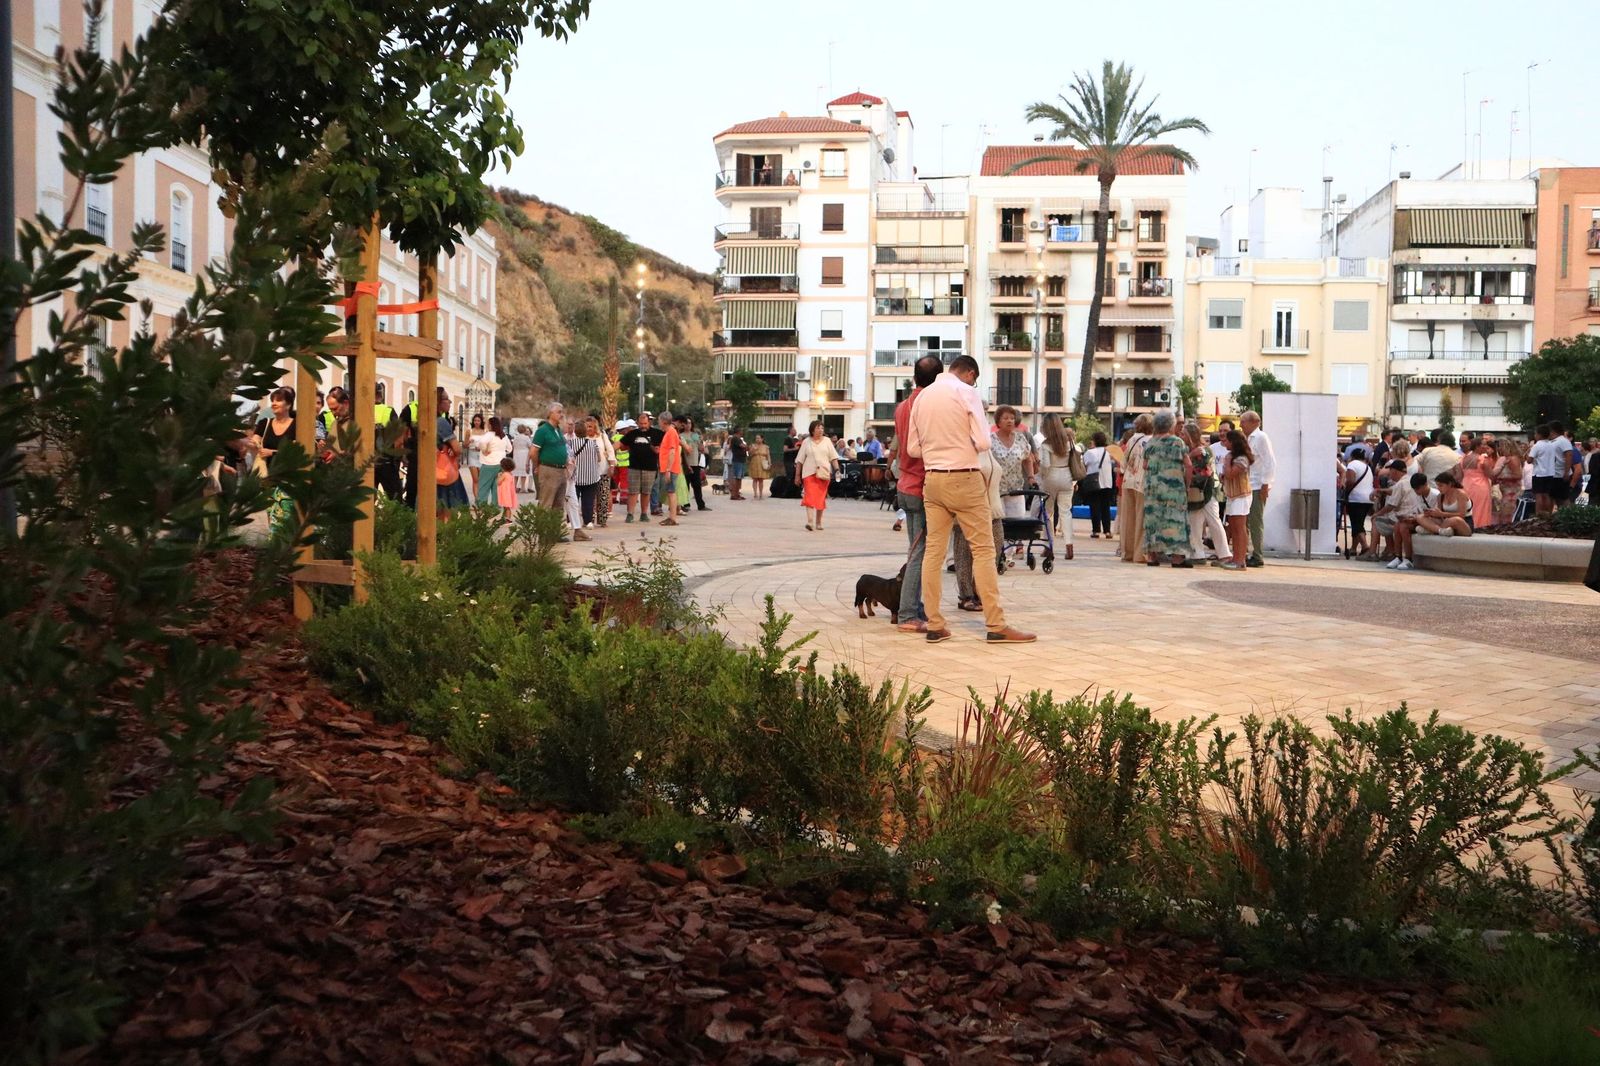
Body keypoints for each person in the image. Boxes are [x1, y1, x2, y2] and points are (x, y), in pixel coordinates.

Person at [905, 354, 1033, 644]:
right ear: (969, 373)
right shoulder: (966, 392)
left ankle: (935, 624)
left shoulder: (922, 398)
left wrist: (939, 449)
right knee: (984, 550)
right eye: (975, 377)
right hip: (964, 476)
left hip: (933, 479)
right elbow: (985, 441)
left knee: (934, 552)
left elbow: (913, 449)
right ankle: (996, 625)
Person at [892, 355, 940, 634]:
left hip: (904, 485)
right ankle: (908, 612)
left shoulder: (902, 406)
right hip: (922, 485)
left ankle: (914, 606)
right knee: (919, 552)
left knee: (915, 550)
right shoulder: (928, 404)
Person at [1140, 411, 1193, 567]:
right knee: (1174, 520)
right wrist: (1187, 484)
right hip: (1174, 488)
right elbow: (1188, 465)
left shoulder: (1150, 443)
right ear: (1171, 425)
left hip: (1153, 489)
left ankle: (1152, 556)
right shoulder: (1177, 442)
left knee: (1153, 519)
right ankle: (1177, 558)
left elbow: (1145, 465)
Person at [532, 402, 585, 537]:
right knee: (546, 503)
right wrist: (537, 466)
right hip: (549, 469)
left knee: (558, 505)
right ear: (550, 413)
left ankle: (554, 533)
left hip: (561, 471)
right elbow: (533, 452)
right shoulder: (543, 431)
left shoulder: (558, 431)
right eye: (558, 412)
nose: (561, 414)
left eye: (562, 412)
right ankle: (543, 534)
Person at [1184, 422, 1228, 566]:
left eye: (1184, 434)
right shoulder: (1190, 450)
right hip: (1196, 492)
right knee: (1194, 522)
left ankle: (1224, 554)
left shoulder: (1204, 451)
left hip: (1208, 491)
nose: (1181, 436)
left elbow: (1204, 471)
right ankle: (1197, 553)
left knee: (1214, 521)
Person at [1036, 415, 1077, 561]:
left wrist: (1041, 475)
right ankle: (1069, 546)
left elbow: (1045, 465)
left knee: (1048, 513)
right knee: (1066, 512)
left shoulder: (1046, 444)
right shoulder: (1068, 441)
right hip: (1067, 476)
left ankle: (1049, 546)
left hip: (1051, 477)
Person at [1239, 410, 1276, 568]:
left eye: (1243, 422)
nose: (1241, 425)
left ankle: (1258, 554)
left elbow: (1270, 461)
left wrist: (1266, 484)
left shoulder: (1261, 438)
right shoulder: (1247, 438)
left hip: (1257, 485)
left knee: (1255, 521)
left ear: (1254, 422)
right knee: (1246, 521)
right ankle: (1248, 552)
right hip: (1248, 484)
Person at [989, 405, 1036, 519]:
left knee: (1017, 522)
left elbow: (1027, 458)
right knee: (997, 523)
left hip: (1016, 488)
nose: (1009, 421)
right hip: (996, 489)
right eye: (1005, 418)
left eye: (1012, 418)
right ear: (998, 422)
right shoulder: (990, 439)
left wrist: (1031, 477)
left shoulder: (1020, 439)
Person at [1118, 414, 1154, 564]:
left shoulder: (1132, 439)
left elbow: (1123, 462)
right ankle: (1140, 554)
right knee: (1141, 518)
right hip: (1143, 482)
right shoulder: (1152, 440)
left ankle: (1127, 552)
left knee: (1128, 519)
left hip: (1128, 480)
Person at [1219, 429, 1254, 571]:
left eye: (1227, 440)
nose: (1224, 442)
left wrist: (1227, 462)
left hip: (1241, 496)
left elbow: (1231, 474)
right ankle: (1236, 557)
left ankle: (1240, 560)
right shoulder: (1233, 457)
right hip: (1232, 496)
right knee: (1233, 527)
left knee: (1240, 529)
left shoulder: (1241, 459)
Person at [795, 420, 840, 532]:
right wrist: (797, 475)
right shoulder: (806, 442)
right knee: (809, 496)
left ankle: (818, 522)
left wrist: (837, 469)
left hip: (824, 474)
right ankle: (810, 522)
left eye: (822, 428)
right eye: (818, 428)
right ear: (812, 430)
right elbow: (799, 461)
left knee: (820, 498)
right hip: (809, 473)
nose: (820, 430)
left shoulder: (827, 441)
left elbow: (833, 457)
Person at [620, 413, 663, 522]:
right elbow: (620, 444)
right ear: (637, 423)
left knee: (646, 492)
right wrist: (609, 451)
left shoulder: (658, 433)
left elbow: (666, 446)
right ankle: (630, 514)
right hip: (634, 467)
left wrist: (659, 451)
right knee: (633, 491)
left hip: (650, 468)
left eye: (645, 423)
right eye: (641, 423)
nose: (643, 426)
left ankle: (644, 513)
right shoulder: (632, 434)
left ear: (649, 422)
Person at [435, 388, 471, 513]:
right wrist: (454, 449)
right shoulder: (441, 422)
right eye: (446, 399)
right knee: (449, 507)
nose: (450, 402)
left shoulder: (424, 419)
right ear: (438, 401)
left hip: (430, 469)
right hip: (444, 469)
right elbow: (457, 449)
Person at [1388, 471, 1433, 570]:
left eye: (1418, 489)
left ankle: (1408, 558)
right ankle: (1398, 556)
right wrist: (1411, 518)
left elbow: (1435, 514)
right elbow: (1418, 511)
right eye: (1415, 489)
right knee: (1398, 525)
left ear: (1425, 484)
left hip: (1431, 522)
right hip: (1420, 520)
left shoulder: (1434, 495)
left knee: (1403, 527)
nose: (1416, 491)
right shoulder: (1418, 495)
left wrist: (1415, 518)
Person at [1415, 470, 1474, 538]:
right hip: (1446, 523)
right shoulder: (1440, 496)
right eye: (1437, 486)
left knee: (1455, 519)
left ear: (1449, 484)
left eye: (1441, 486)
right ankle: (1440, 530)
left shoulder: (1461, 494)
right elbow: (1440, 516)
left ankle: (1431, 530)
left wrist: (1442, 514)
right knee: (1420, 517)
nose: (1438, 488)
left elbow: (1462, 515)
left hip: (1463, 523)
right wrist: (1432, 514)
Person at [570, 416, 605, 530]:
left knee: (573, 500)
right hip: (591, 477)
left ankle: (571, 521)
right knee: (588, 500)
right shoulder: (593, 444)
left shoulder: (570, 444)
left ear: (575, 431)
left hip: (575, 477)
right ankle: (588, 521)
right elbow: (599, 459)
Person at [1342, 444, 1375, 559]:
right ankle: (1353, 548)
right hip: (1368, 498)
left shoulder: (1352, 464)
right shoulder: (1367, 467)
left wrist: (1345, 490)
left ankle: (1366, 547)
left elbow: (1350, 480)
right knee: (1359, 522)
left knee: (1356, 524)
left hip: (1356, 498)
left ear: (1352, 456)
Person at [371, 382, 403, 500]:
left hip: (367, 462)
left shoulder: (360, 411)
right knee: (395, 499)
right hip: (386, 462)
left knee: (367, 501)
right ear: (380, 394)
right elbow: (399, 440)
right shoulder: (388, 411)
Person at [1082, 432, 1116, 538]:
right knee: (1105, 506)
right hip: (1107, 482)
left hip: (1094, 482)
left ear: (1094, 441)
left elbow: (1085, 465)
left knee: (1094, 506)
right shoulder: (1109, 452)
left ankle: (1096, 530)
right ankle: (1107, 531)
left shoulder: (1090, 453)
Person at [474, 416, 509, 510]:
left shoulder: (489, 435)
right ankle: (496, 507)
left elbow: (481, 443)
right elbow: (509, 449)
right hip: (500, 464)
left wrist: (484, 450)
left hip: (488, 464)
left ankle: (481, 506)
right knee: (496, 487)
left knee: (484, 486)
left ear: (490, 425)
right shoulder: (503, 435)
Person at [654, 410, 683, 526]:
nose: (659, 423)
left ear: (663, 421)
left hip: (670, 468)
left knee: (671, 492)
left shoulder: (671, 432)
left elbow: (672, 451)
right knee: (670, 492)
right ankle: (672, 516)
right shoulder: (670, 432)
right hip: (668, 468)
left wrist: (668, 470)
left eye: (659, 421)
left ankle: (673, 518)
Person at [1460, 438, 1494, 528]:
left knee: (1469, 508)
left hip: (1466, 484)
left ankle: (1468, 526)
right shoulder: (1482, 459)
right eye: (1484, 444)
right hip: (1480, 486)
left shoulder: (1464, 458)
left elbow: (1460, 474)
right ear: (1478, 446)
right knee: (1481, 509)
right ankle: (1480, 526)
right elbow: (1491, 475)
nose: (1486, 446)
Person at [680, 417, 710, 512]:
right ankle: (685, 504)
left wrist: (701, 442)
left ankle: (701, 505)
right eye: (686, 423)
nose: (688, 425)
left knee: (697, 485)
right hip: (684, 464)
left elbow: (701, 449)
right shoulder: (681, 435)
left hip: (695, 463)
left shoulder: (694, 435)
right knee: (685, 485)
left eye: (690, 423)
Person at [461, 412, 485, 499]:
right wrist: (469, 442)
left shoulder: (485, 432)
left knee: (481, 480)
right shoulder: (469, 431)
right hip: (472, 455)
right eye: (475, 420)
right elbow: (464, 445)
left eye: (478, 420)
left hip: (482, 456)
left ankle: (481, 498)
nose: (477, 422)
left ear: (481, 421)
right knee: (475, 480)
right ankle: (477, 500)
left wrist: (482, 448)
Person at [726, 427, 749, 500]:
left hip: (741, 460)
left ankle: (737, 493)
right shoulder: (735, 438)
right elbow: (743, 446)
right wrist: (746, 447)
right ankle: (734, 495)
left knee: (739, 478)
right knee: (736, 477)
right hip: (737, 460)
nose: (742, 431)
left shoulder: (739, 439)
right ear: (738, 431)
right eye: (741, 430)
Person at [747, 433, 772, 499]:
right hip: (754, 462)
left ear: (762, 439)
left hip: (762, 463)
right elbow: (749, 454)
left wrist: (770, 463)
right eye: (756, 438)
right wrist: (753, 449)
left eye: (759, 438)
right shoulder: (753, 445)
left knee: (761, 479)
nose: (757, 439)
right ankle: (755, 493)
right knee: (755, 478)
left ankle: (761, 494)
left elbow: (768, 455)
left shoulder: (766, 447)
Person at [511, 423, 533, 493]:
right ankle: (523, 488)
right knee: (524, 472)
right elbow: (530, 446)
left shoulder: (516, 438)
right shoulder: (526, 438)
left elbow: (513, 446)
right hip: (524, 455)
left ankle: (514, 487)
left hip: (516, 455)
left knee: (516, 473)